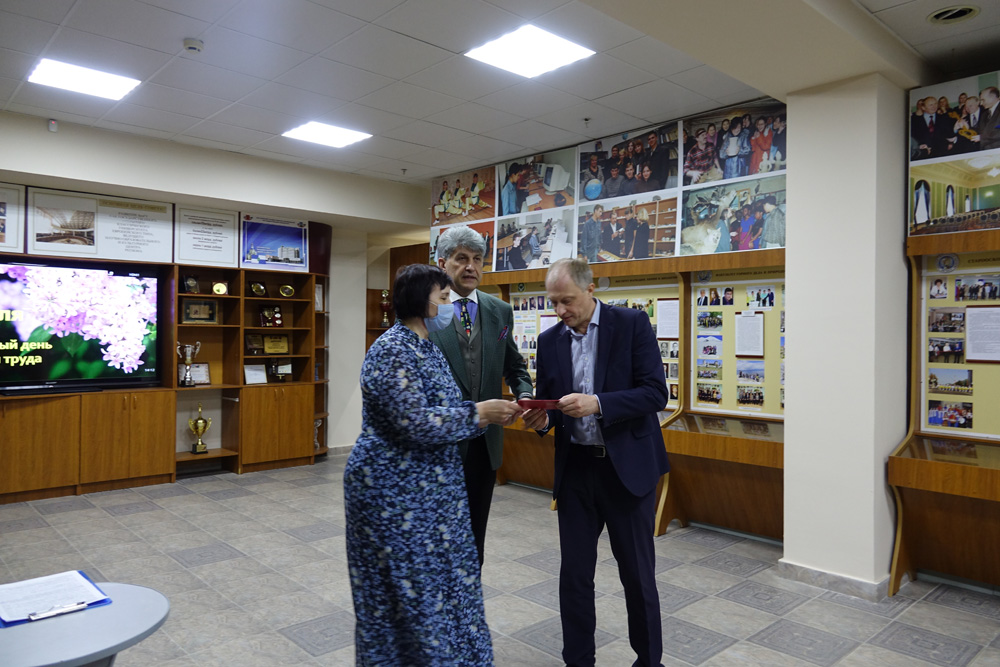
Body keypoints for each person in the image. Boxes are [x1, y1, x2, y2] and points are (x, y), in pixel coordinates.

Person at [344, 263, 522, 665]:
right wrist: (479, 414)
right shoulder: (393, 349)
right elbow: (412, 422)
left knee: (445, 586)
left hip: (432, 494)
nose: (449, 305)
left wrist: (485, 414)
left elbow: (443, 410)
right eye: (443, 298)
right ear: (421, 301)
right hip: (396, 495)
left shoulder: (426, 346)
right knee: (411, 591)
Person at [521, 258, 669, 667]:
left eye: (567, 300)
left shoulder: (631, 324)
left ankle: (649, 661)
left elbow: (656, 393)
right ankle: (579, 660)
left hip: (627, 472)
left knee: (637, 576)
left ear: (590, 289)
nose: (560, 310)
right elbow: (552, 405)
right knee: (574, 577)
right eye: (553, 302)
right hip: (576, 472)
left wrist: (598, 403)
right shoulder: (550, 340)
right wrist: (542, 419)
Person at [429, 228, 534, 566]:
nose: (471, 267)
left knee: (474, 539)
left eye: (477, 259)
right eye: (462, 258)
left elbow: (513, 365)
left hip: (485, 445)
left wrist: (526, 393)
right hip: (439, 444)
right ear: (442, 263)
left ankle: (469, 593)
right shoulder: (428, 311)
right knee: (438, 540)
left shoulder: (499, 310)